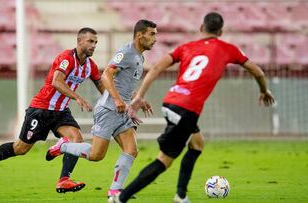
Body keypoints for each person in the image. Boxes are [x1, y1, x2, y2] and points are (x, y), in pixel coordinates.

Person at [111, 12, 275, 203]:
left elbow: (156, 68)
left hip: (171, 101)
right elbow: (258, 72)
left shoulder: (186, 47)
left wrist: (139, 96)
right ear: (221, 31)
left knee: (197, 144)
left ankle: (180, 195)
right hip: (186, 109)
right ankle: (121, 198)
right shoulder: (228, 49)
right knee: (163, 160)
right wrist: (264, 91)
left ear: (201, 28)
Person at [0, 27, 105, 193]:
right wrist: (77, 97)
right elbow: (57, 81)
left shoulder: (91, 66)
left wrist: (115, 101)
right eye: (90, 41)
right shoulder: (66, 58)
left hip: (61, 111)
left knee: (76, 138)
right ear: (79, 41)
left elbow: (102, 85)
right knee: (20, 149)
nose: (94, 45)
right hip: (41, 109)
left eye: (96, 42)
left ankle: (64, 180)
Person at [45, 19, 156, 200]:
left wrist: (138, 99)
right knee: (96, 156)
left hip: (121, 110)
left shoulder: (139, 56)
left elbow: (124, 85)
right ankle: (63, 146)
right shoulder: (126, 52)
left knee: (131, 149)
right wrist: (117, 100)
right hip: (109, 109)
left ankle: (115, 191)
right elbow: (106, 75)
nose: (155, 39)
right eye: (152, 34)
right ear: (139, 35)